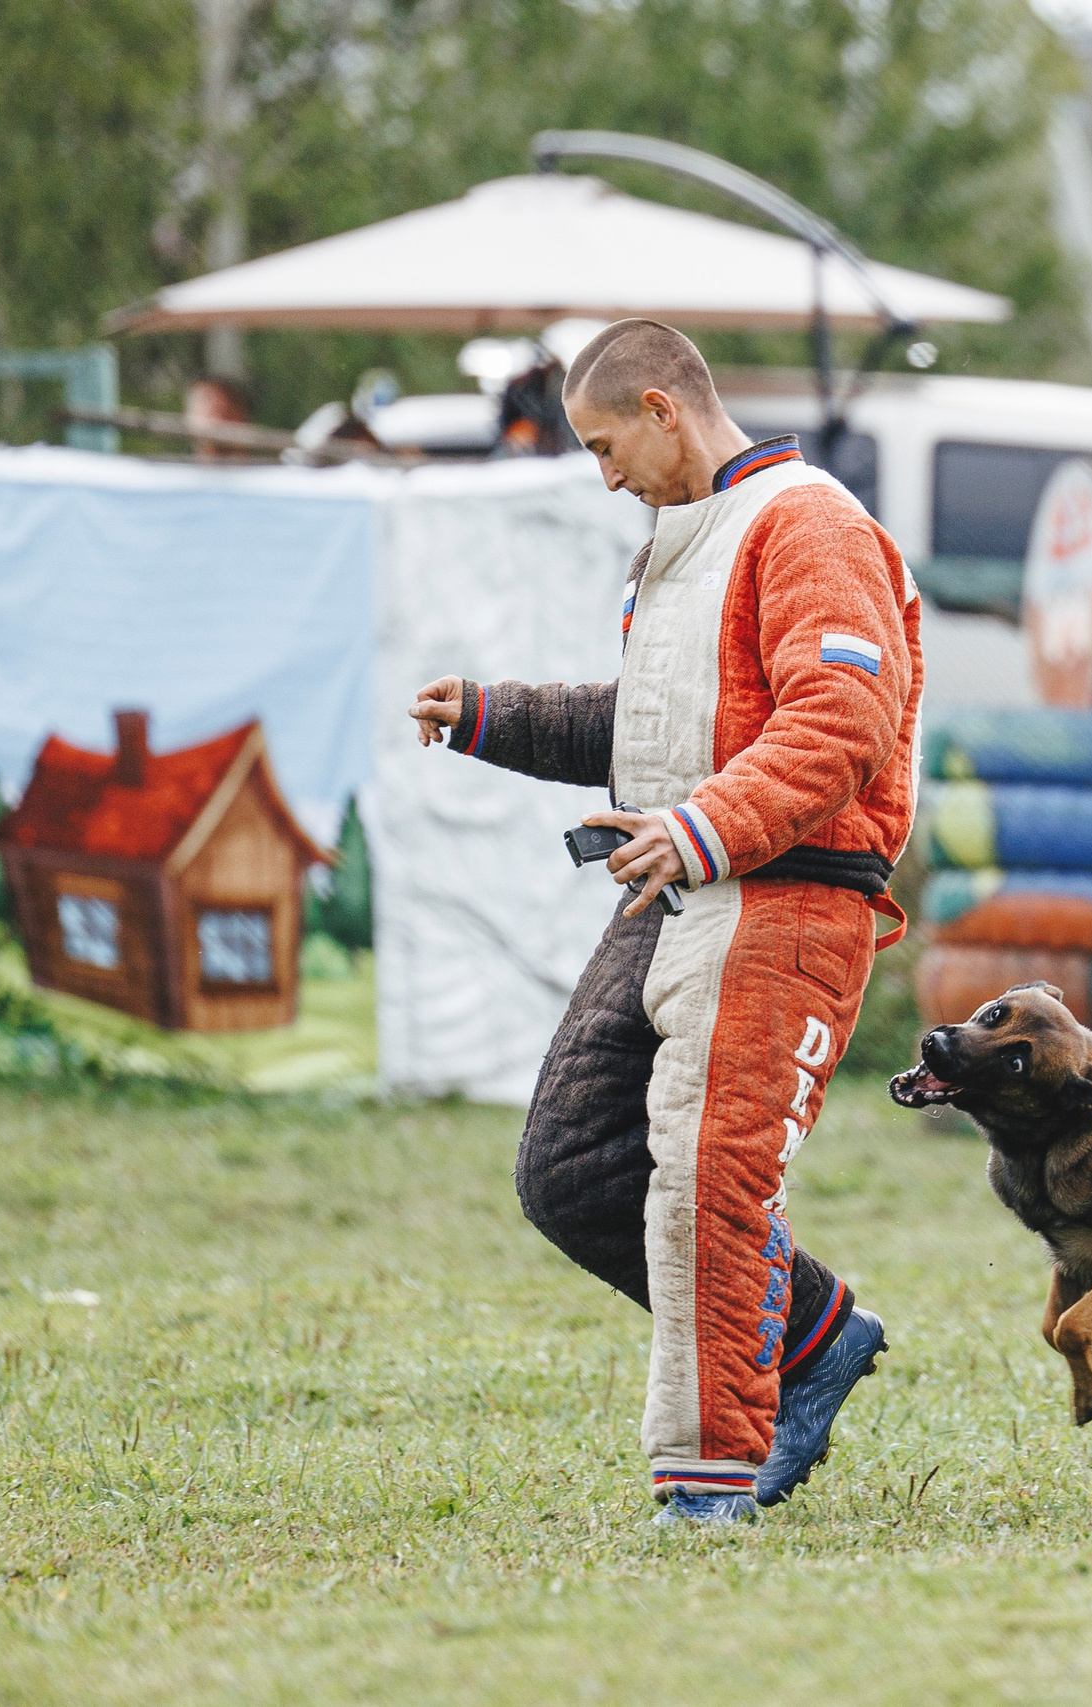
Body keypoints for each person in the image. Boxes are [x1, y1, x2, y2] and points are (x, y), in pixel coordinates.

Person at [407, 320, 921, 1529]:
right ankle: (814, 1337)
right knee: (568, 1169)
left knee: (707, 1183)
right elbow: (660, 726)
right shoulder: (679, 548)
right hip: (681, 883)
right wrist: (495, 716)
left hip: (785, 891)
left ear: (662, 408)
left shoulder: (811, 526)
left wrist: (704, 827)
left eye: (603, 446)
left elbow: (842, 721)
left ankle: (709, 1484)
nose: (604, 476)